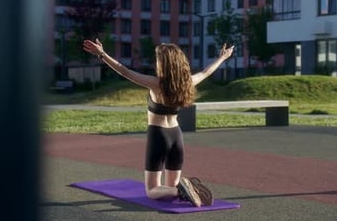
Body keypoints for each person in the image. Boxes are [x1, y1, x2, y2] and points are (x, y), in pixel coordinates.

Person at [83, 39, 234, 207]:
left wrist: (102, 55)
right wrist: (222, 58)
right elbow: (206, 72)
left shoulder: (156, 84)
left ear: (163, 64)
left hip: (158, 136)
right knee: (169, 186)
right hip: (177, 135)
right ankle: (184, 188)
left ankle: (181, 190)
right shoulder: (187, 83)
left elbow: (125, 71)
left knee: (153, 191)